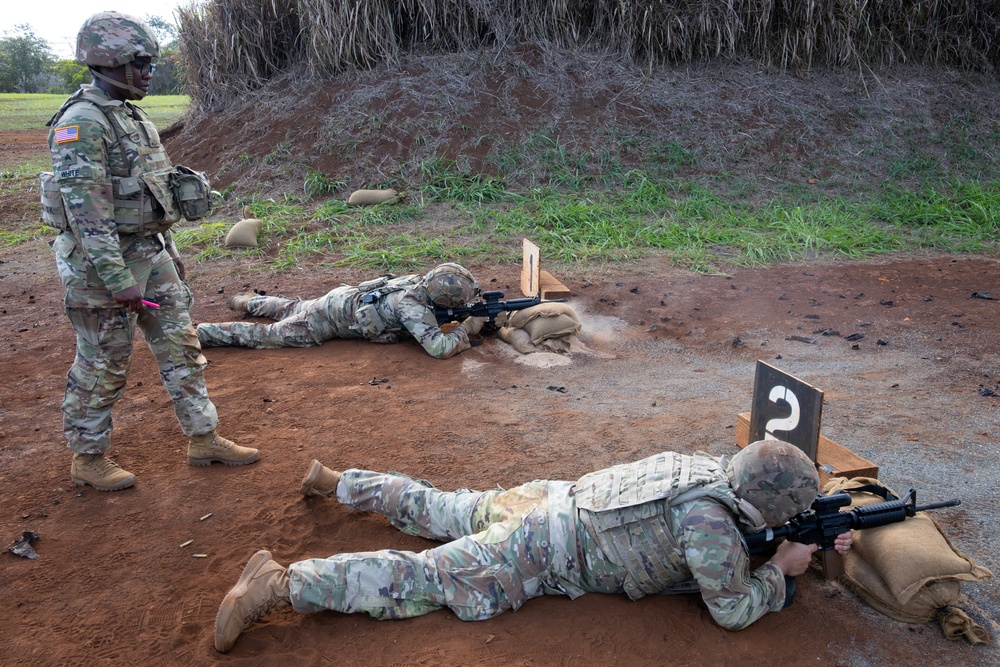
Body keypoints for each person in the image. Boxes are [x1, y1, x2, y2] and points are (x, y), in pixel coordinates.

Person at [214, 440, 854, 652]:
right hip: (544, 549)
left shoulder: (705, 469)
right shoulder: (711, 526)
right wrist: (782, 572)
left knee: (445, 507)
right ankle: (279, 585)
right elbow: (731, 609)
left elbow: (716, 524)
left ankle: (338, 483)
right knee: (427, 578)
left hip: (550, 499)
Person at [42, 12, 259, 492]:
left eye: (151, 63)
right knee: (104, 360)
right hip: (104, 266)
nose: (149, 72)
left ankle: (204, 437)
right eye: (140, 62)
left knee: (182, 346)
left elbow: (152, 193)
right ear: (108, 61)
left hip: (150, 253)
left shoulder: (133, 116)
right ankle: (88, 456)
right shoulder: (81, 123)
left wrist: (170, 248)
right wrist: (118, 280)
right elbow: (87, 213)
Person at [196, 263, 487, 359]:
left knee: (293, 306)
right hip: (325, 322)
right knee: (267, 335)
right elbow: (438, 347)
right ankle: (203, 333)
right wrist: (468, 328)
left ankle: (248, 302)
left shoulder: (416, 282)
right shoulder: (411, 306)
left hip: (339, 298)